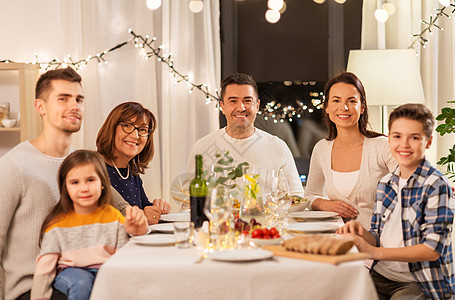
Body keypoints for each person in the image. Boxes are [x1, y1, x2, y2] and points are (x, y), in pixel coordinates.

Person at [337, 104, 455, 299]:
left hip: (418, 282)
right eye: (397, 136)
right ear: (389, 138)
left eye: (414, 137)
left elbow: (431, 250)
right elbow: (377, 234)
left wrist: (374, 252)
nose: (404, 144)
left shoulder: (436, 186)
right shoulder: (386, 183)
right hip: (381, 275)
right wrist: (361, 232)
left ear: (428, 142)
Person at [0, 67, 85, 300]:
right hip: (31, 289)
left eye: (79, 99)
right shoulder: (13, 166)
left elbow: (114, 210)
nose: (74, 106)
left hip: (76, 278)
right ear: (41, 107)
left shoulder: (82, 164)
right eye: (63, 98)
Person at [31, 150, 148, 300]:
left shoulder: (112, 216)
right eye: (75, 182)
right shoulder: (57, 225)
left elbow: (123, 254)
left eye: (91, 180)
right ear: (65, 187)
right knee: (81, 283)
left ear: (103, 183)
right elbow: (44, 267)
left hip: (106, 269)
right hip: (72, 271)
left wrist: (138, 230)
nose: (84, 188)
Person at [186, 73, 303, 196]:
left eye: (247, 100)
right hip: (218, 215)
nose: (241, 107)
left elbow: (297, 197)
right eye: (233, 101)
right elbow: (188, 201)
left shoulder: (278, 147)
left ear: (257, 106)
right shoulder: (202, 147)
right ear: (222, 107)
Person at [304, 72, 397, 229]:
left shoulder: (382, 146)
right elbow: (310, 195)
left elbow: (410, 185)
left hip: (381, 240)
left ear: (362, 108)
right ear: (327, 107)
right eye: (336, 100)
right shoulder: (321, 149)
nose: (344, 107)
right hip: (339, 237)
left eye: (351, 101)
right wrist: (326, 205)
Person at [96, 101, 171, 225]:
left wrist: (157, 207)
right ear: (112, 127)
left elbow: (143, 208)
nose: (135, 135)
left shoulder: (131, 171)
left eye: (142, 129)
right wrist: (144, 215)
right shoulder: (93, 169)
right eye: (127, 126)